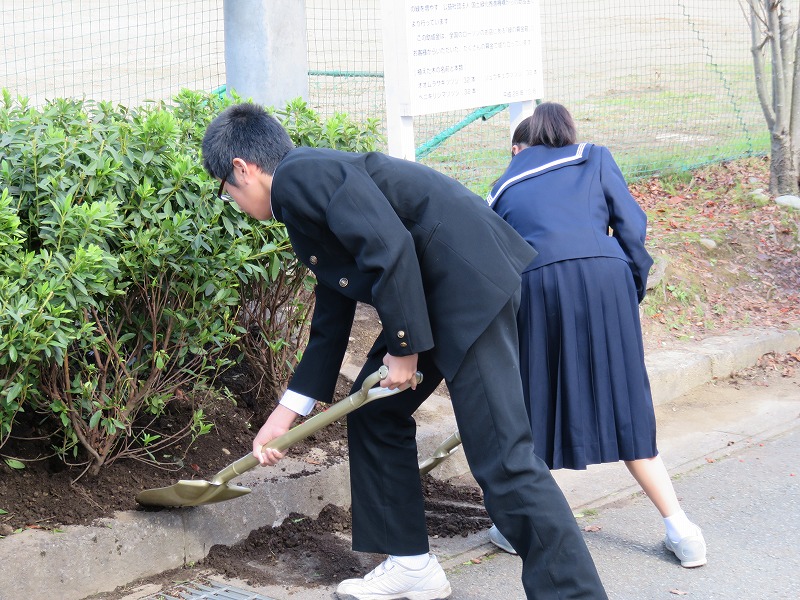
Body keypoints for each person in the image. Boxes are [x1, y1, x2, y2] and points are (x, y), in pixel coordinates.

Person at [202, 102, 608, 600]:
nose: (235, 203)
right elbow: (332, 318)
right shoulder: (302, 202)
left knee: (503, 459)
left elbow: (389, 246)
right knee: (376, 415)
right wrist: (286, 414)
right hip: (433, 293)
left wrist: (404, 349)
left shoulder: (302, 176)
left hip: (466, 288)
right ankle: (412, 563)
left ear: (242, 169)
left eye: (228, 191)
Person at [485, 101, 707, 569]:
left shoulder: (502, 185)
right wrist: (631, 282)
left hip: (539, 284)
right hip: (606, 277)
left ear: (515, 147)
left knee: (538, 401)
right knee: (626, 400)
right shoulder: (594, 156)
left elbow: (498, 258)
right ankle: (683, 532)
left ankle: (515, 527)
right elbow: (632, 226)